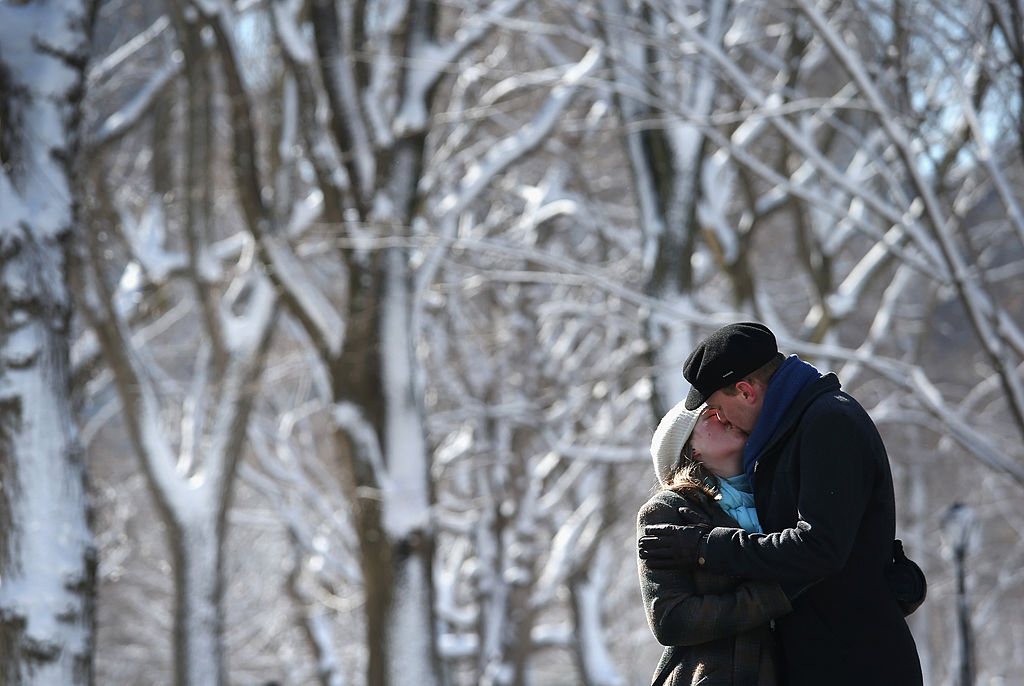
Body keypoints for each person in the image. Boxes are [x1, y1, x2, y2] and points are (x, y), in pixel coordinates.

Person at [638, 322, 923, 686]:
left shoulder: (827, 421)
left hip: (852, 665)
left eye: (716, 409)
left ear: (745, 391)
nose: (721, 419)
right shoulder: (786, 438)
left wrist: (704, 546)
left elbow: (819, 547)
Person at [637, 399, 792, 685]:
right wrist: (776, 595)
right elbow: (671, 619)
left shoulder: (784, 498)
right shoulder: (668, 510)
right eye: (711, 415)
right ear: (691, 450)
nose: (726, 416)